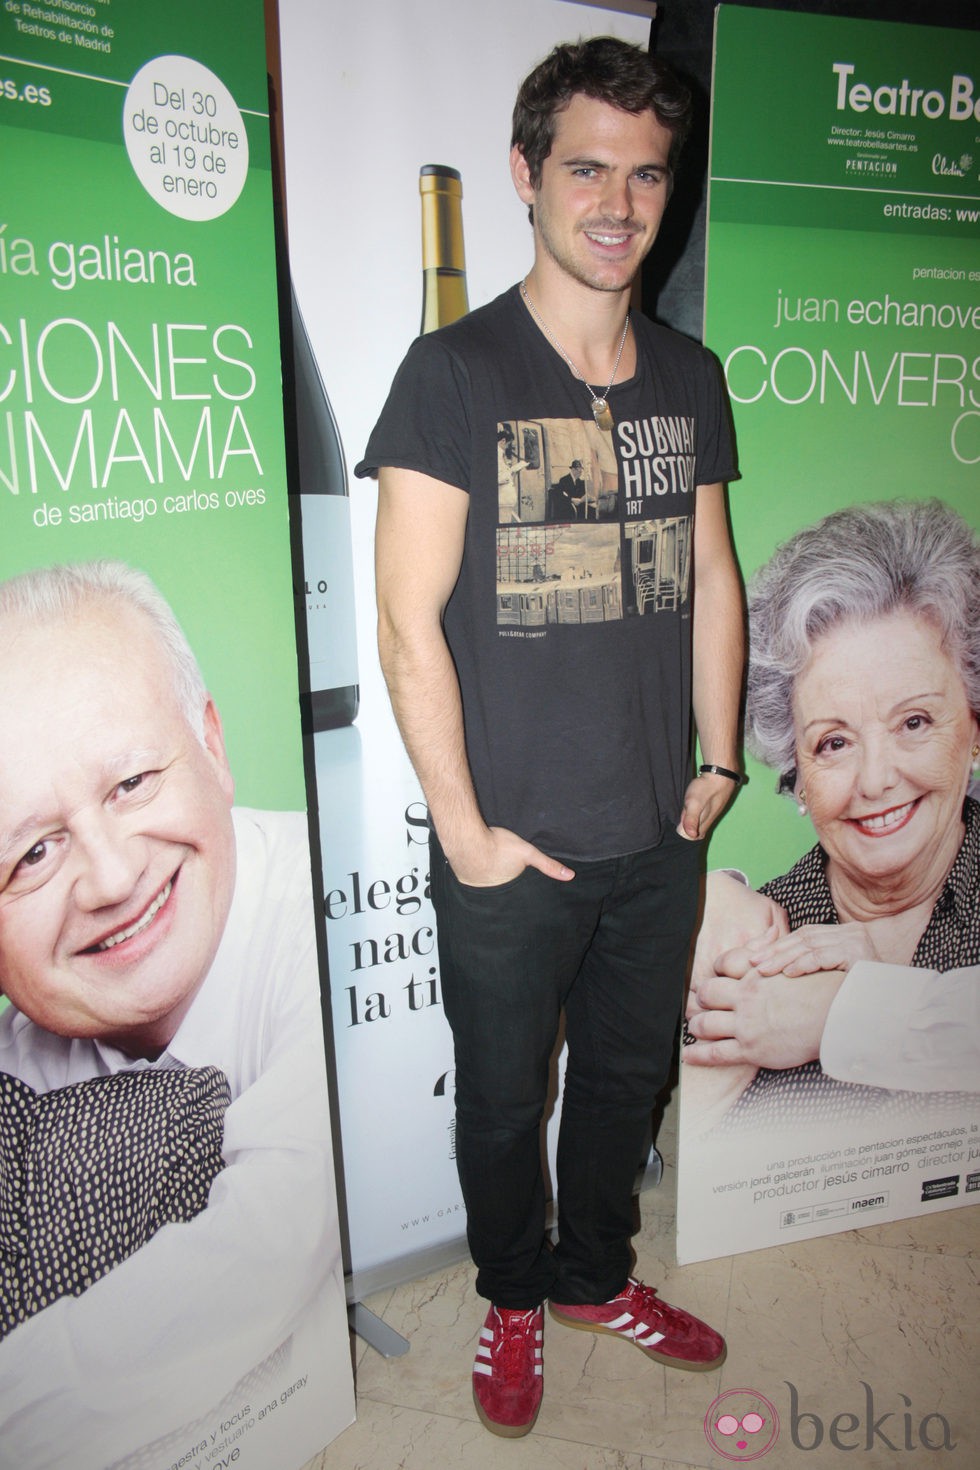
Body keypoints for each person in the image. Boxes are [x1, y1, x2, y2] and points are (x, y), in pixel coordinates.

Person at [356, 37, 744, 1438]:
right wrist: (464, 833)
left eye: (647, 175)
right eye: (588, 168)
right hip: (509, 845)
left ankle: (594, 1276)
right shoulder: (451, 373)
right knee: (503, 1101)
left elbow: (711, 577)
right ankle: (513, 1294)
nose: (621, 202)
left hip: (657, 832)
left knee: (627, 1083)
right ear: (526, 176)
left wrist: (716, 765)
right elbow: (408, 624)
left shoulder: (689, 379)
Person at [0, 560, 336, 1469]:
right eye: (32, 852)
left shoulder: (341, 909)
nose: (110, 879)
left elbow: (281, 1238)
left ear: (214, 748)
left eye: (132, 783)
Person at [684, 499, 980, 1131]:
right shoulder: (748, 950)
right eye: (834, 743)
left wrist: (843, 1015)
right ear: (798, 778)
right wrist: (686, 913)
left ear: (974, 726)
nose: (876, 780)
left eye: (915, 722)